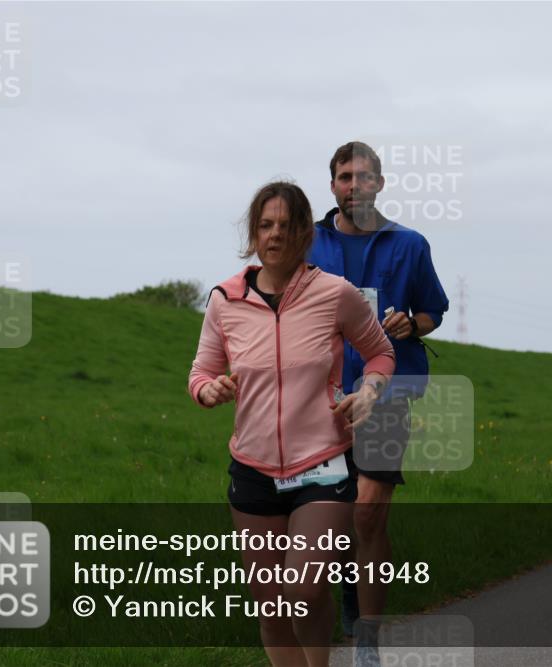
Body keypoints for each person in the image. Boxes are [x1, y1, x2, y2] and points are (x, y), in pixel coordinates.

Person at [189, 181, 395, 667]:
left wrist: (368, 391)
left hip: (321, 462)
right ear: (253, 234)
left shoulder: (335, 294)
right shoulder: (225, 300)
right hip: (253, 467)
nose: (275, 234)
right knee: (272, 604)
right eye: (265, 225)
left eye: (286, 225)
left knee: (302, 590)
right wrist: (208, 390)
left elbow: (381, 353)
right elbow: (200, 372)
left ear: (304, 233)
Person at [309, 141, 449, 664]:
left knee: (368, 511)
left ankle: (367, 638)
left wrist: (412, 324)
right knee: (334, 515)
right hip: (318, 397)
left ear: (379, 184)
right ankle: (347, 585)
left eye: (363, 176)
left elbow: (433, 310)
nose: (353, 185)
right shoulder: (309, 242)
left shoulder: (410, 244)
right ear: (332, 187)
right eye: (344, 176)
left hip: (385, 392)